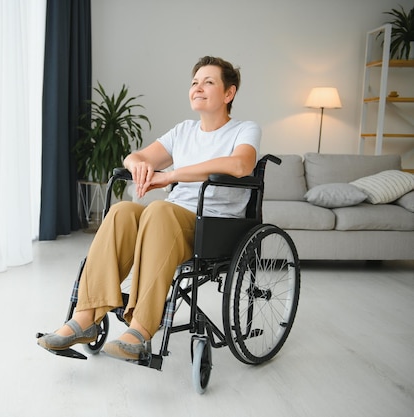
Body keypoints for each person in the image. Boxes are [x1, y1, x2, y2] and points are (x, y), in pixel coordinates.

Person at [38, 56, 261, 361]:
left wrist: (171, 175)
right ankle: (85, 318)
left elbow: (240, 164)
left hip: (215, 225)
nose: (198, 87)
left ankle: (141, 329)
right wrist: (139, 167)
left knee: (159, 210)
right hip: (171, 219)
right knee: (122, 211)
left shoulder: (244, 130)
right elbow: (136, 157)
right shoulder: (184, 130)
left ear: (228, 93)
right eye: (195, 82)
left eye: (208, 82)